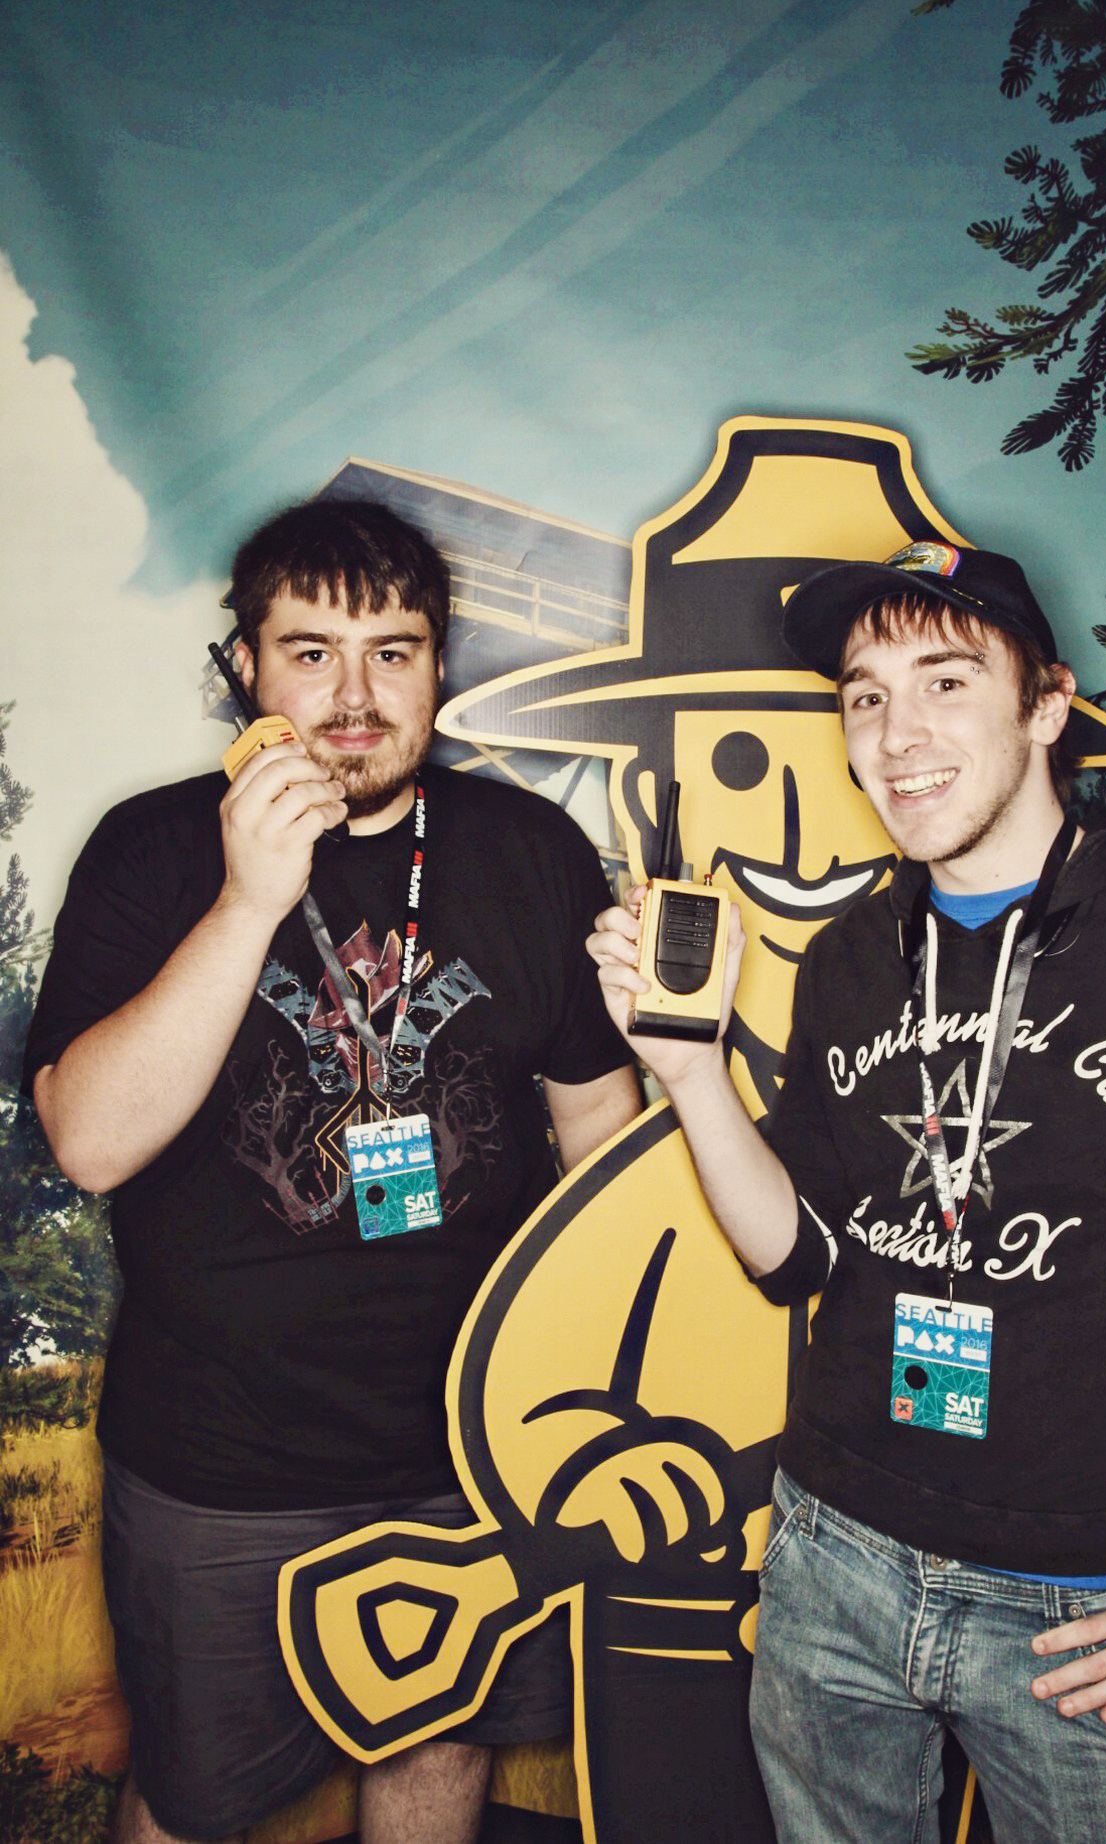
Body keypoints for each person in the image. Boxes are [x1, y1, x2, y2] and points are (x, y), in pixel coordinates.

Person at [587, 540, 1106, 1843]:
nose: (897, 736)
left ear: (1046, 705)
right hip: (835, 1555)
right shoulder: (852, 955)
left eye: (946, 682)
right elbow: (798, 1257)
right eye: (866, 696)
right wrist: (690, 1074)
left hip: (1084, 1612)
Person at [25, 497, 641, 1844]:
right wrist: (250, 897)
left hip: (477, 1448)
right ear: (245, 666)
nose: (355, 698)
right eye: (311, 654)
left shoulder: (533, 852)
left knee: (440, 1749)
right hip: (224, 1466)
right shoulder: (151, 850)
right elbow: (90, 1140)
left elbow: (599, 1124)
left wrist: (586, 1392)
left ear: (438, 666)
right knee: (191, 1800)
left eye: (392, 653)